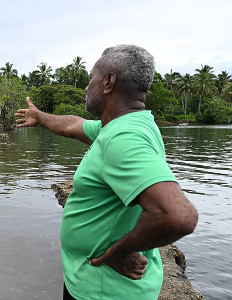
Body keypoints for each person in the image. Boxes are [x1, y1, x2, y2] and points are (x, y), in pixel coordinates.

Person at [15, 45, 198, 299]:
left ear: (108, 82)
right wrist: (40, 116)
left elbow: (179, 215)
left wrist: (119, 252)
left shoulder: (123, 137)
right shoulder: (123, 126)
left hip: (105, 291)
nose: (86, 87)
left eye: (91, 78)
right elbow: (73, 125)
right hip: (100, 286)